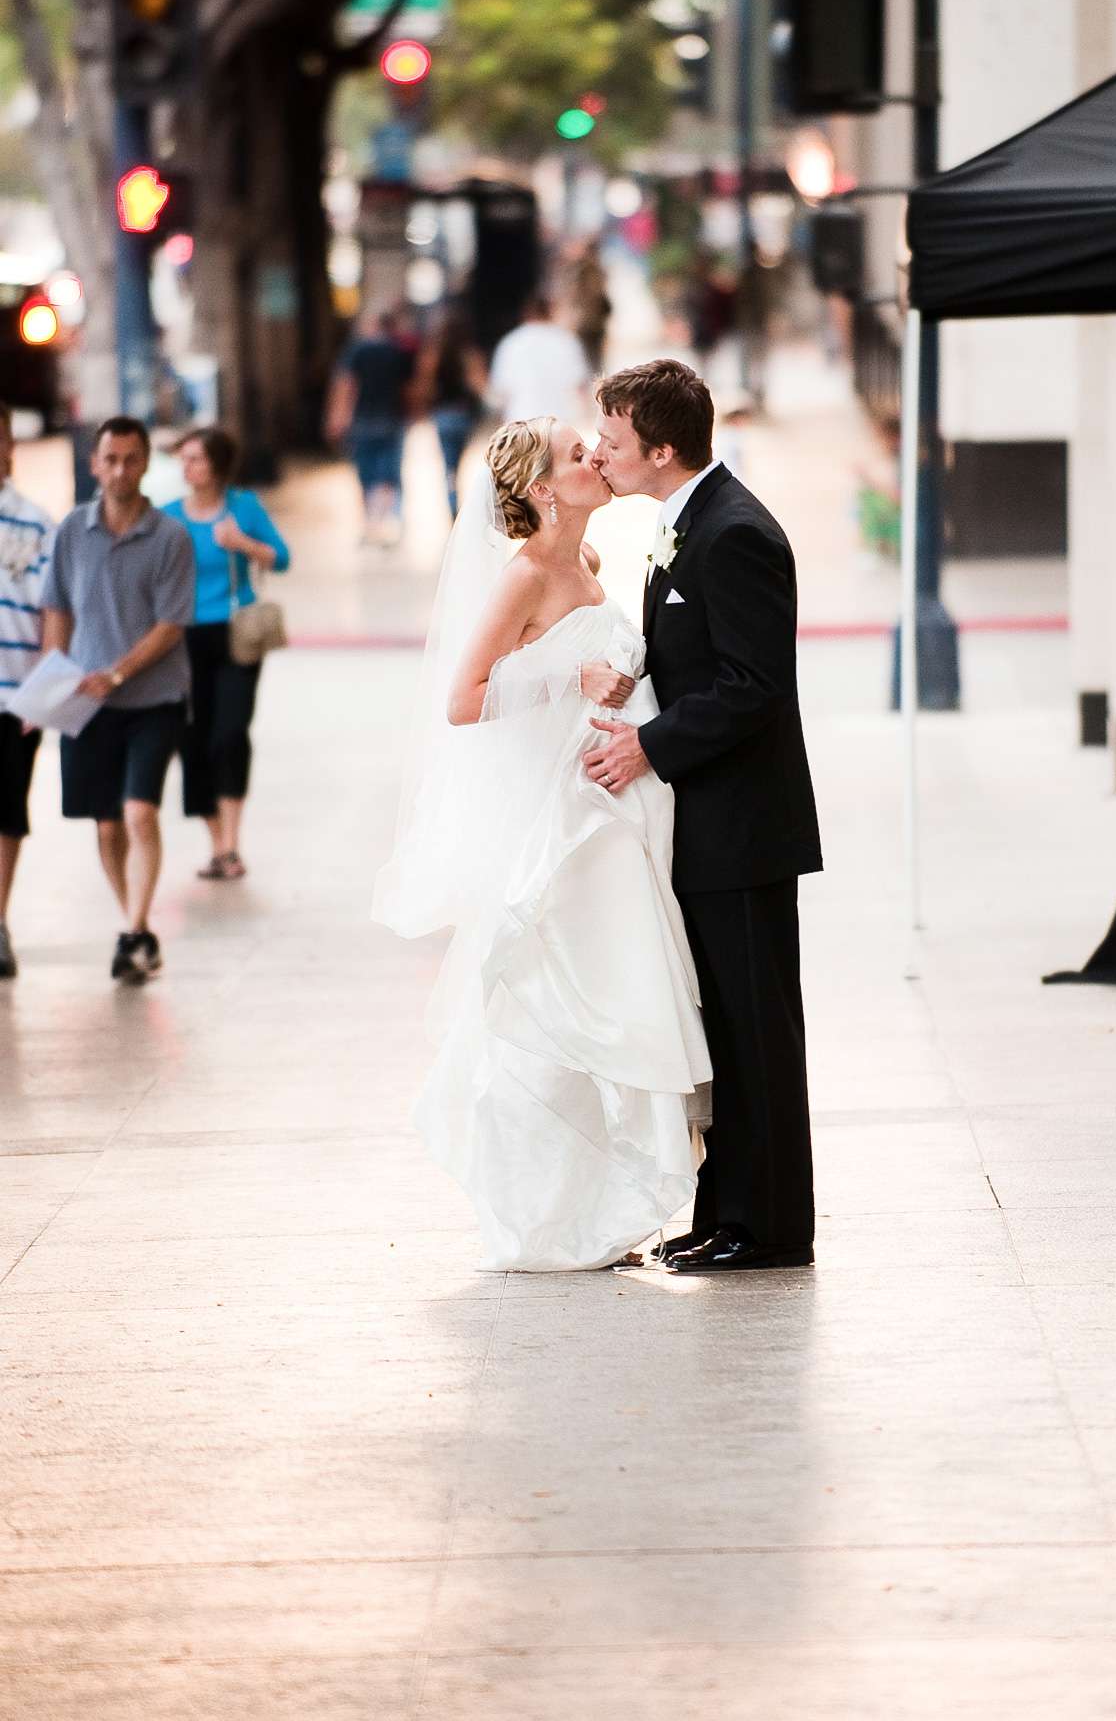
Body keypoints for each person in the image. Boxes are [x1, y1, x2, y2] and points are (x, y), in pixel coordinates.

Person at [373, 415, 711, 1272]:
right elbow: (464, 697)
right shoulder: (522, 577)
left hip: (611, 805)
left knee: (614, 988)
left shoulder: (588, 561)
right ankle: (545, 1213)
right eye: (575, 454)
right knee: (560, 1004)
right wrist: (570, 675)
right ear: (540, 489)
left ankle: (603, 1204)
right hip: (562, 822)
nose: (594, 457)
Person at [590, 359, 821, 1274]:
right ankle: (724, 1209)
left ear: (661, 447)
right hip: (709, 824)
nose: (601, 455)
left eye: (612, 442)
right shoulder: (682, 525)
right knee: (725, 1027)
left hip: (745, 827)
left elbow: (752, 688)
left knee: (757, 1030)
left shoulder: (734, 534)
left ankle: (769, 1229)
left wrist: (648, 745)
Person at [42, 417, 195, 984]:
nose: (119, 470)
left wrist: (118, 672)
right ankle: (133, 924)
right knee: (106, 826)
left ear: (146, 462)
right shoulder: (71, 532)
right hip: (87, 702)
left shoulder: (169, 537)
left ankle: (134, 928)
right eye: (110, 459)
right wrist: (53, 683)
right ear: (94, 463)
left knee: (139, 811)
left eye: (131, 459)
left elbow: (171, 623)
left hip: (153, 697)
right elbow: (56, 607)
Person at [163, 426, 291, 880]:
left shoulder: (243, 507)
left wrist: (242, 544)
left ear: (216, 465)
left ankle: (232, 844)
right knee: (193, 739)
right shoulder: (168, 517)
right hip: (182, 639)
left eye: (195, 458)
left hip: (238, 633)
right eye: (183, 459)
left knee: (230, 733)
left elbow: (282, 557)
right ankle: (216, 842)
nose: (187, 467)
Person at [0, 403, 56, 979]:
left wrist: (44, 691)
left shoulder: (37, 524)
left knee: (7, 811)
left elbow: (55, 613)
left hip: (13, 695)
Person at [326, 310, 420, 545]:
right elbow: (408, 388)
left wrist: (338, 416)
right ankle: (381, 521)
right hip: (391, 419)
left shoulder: (358, 349)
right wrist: (413, 413)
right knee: (388, 474)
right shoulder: (398, 352)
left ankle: (370, 522)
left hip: (362, 421)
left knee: (366, 474)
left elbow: (346, 384)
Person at [419, 309, 487, 519]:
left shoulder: (433, 353)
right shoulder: (470, 354)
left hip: (443, 414)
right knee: (458, 462)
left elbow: (425, 384)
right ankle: (457, 499)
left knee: (448, 464)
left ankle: (452, 504)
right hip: (463, 414)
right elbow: (479, 384)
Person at [486, 295, 591, 426]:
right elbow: (580, 386)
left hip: (520, 422)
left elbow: (500, 392)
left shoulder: (511, 342)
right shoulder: (566, 340)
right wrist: (585, 421)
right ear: (551, 312)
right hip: (558, 423)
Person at [569, 240, 612, 375]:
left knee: (586, 356)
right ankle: (598, 381)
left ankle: (593, 383)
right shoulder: (599, 270)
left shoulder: (581, 270)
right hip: (596, 320)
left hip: (585, 320)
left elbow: (574, 295)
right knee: (596, 357)